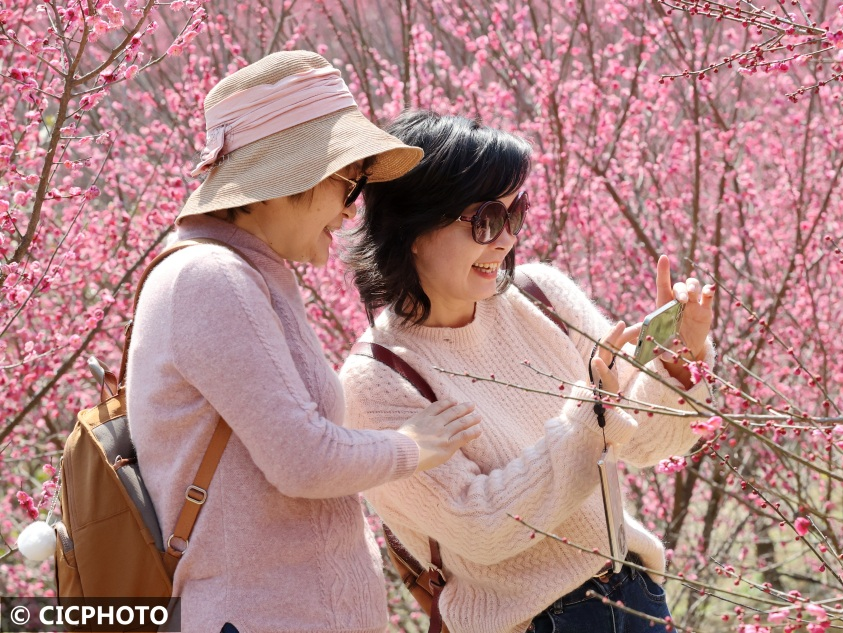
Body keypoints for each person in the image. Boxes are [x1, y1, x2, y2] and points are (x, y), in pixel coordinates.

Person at [126, 53, 482, 633]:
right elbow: (302, 462)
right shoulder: (211, 278)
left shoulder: (248, 274)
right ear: (282, 181)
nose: (349, 212)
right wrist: (412, 445)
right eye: (348, 183)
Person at [340, 110, 717, 633]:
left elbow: (645, 443)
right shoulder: (378, 380)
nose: (505, 241)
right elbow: (482, 528)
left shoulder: (542, 297)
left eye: (515, 214)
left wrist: (679, 359)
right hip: (535, 622)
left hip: (634, 590)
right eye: (485, 220)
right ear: (413, 229)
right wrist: (589, 413)